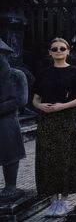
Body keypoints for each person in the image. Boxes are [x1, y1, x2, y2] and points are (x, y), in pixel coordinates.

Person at [32, 37, 76, 217]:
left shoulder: (75, 72)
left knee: (66, 157)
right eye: (54, 49)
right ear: (49, 52)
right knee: (47, 158)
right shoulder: (43, 73)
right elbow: (35, 98)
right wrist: (39, 106)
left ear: (68, 51)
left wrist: (63, 106)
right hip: (47, 120)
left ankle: (64, 201)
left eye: (62, 48)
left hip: (66, 118)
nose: (58, 51)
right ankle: (52, 201)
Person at [0, 39, 28, 201]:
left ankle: (11, 184)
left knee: (10, 153)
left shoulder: (17, 75)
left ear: (6, 56)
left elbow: (21, 100)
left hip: (8, 120)